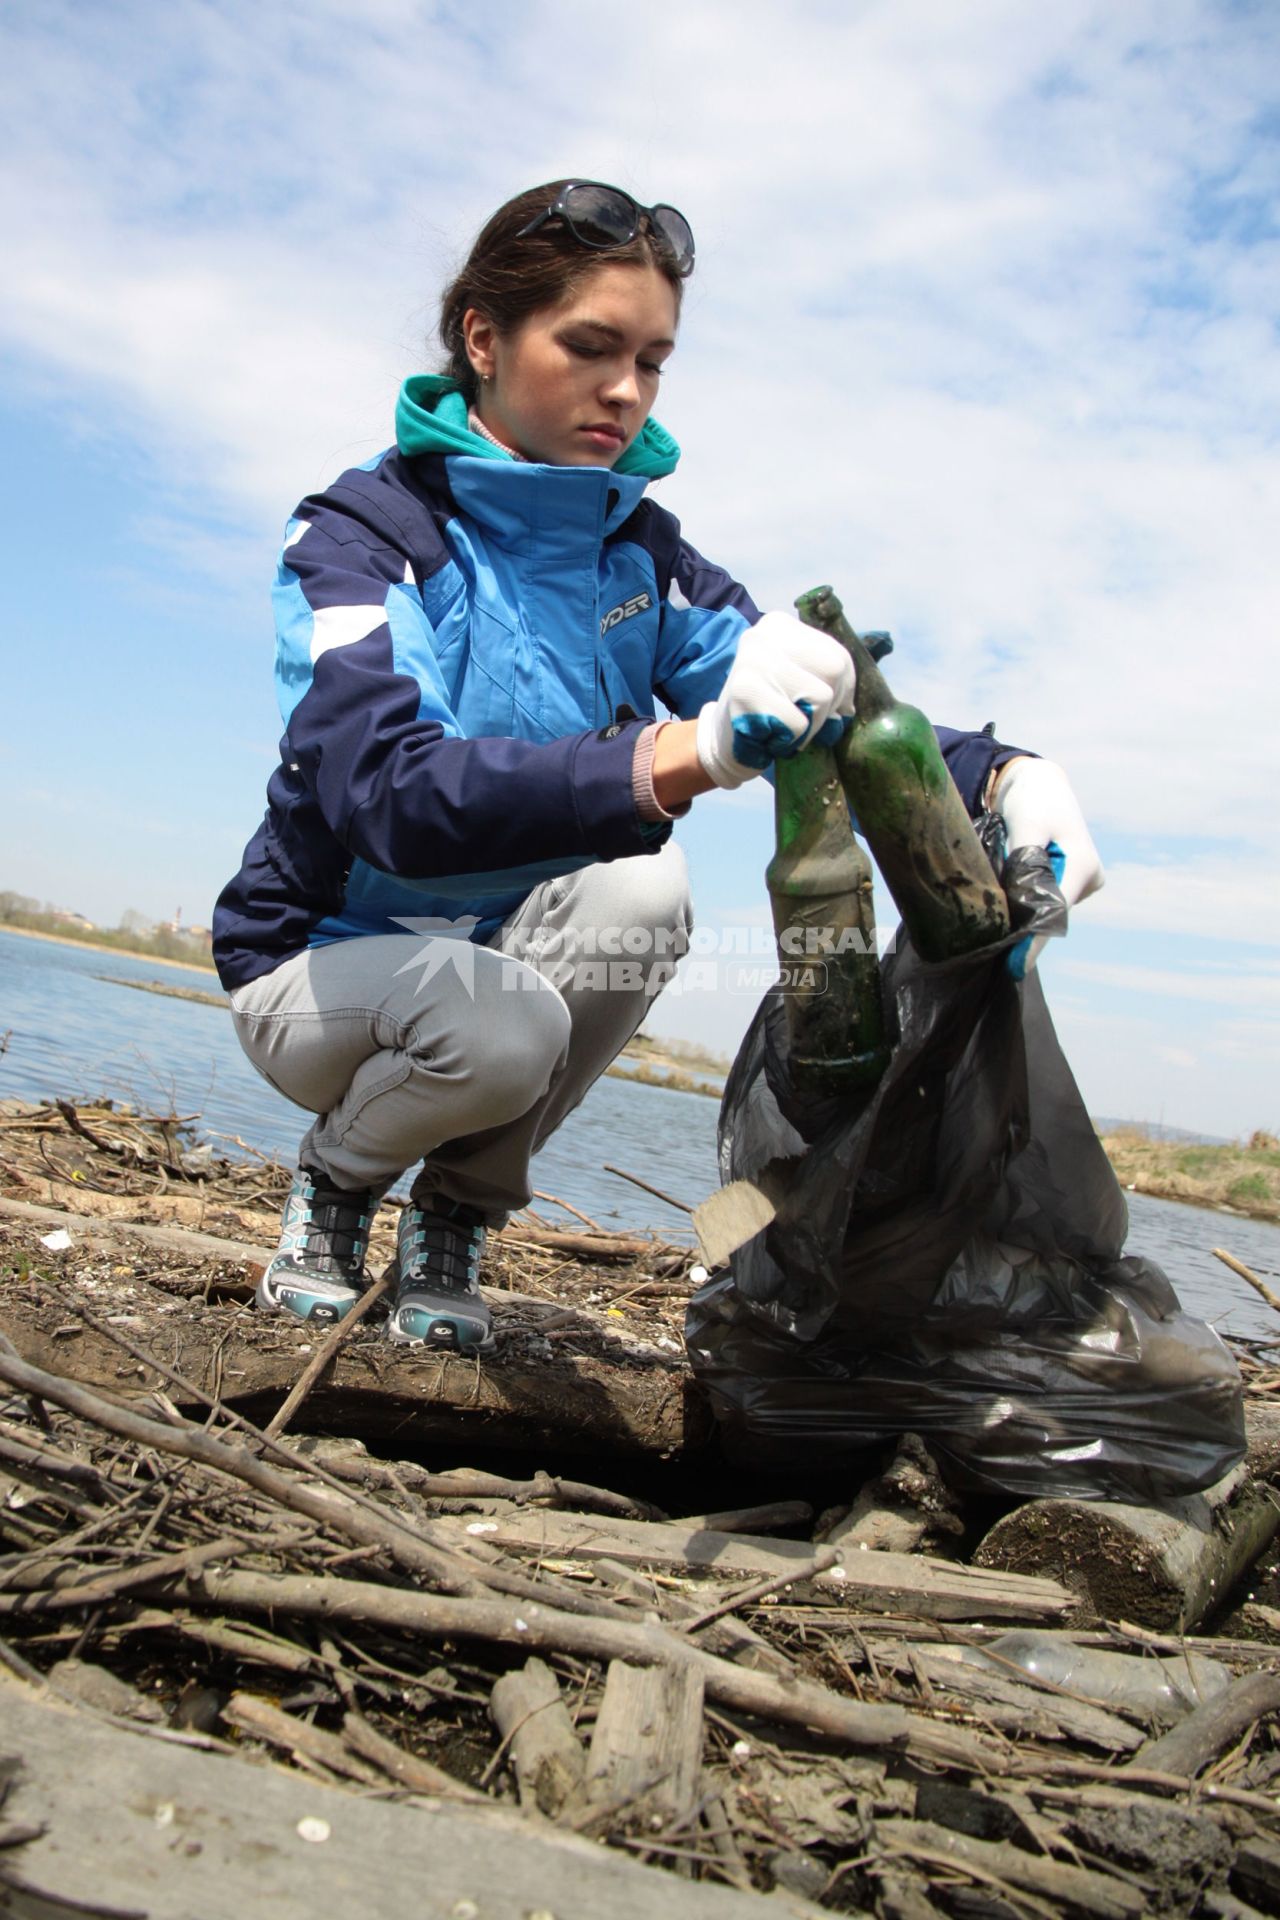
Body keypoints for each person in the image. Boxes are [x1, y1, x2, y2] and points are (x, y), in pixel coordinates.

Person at [212, 179, 1102, 1351]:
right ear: (482, 337)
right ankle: (335, 1182)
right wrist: (688, 749)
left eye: (652, 360)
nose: (623, 392)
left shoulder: (643, 559)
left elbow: (822, 701)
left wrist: (998, 778)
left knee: (645, 894)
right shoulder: (362, 537)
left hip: (493, 969)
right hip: (317, 966)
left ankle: (457, 1211)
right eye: (589, 347)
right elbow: (388, 797)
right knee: (505, 1027)